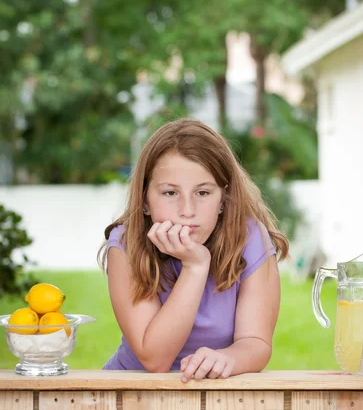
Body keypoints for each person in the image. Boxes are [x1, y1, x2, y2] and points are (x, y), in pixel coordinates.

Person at [98, 118, 288, 382]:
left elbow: (255, 342)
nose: (187, 210)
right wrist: (195, 267)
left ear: (224, 198)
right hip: (133, 394)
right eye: (170, 193)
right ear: (144, 201)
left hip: (215, 394)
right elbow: (155, 359)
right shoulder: (125, 244)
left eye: (202, 193)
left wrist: (228, 359)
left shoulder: (250, 237)